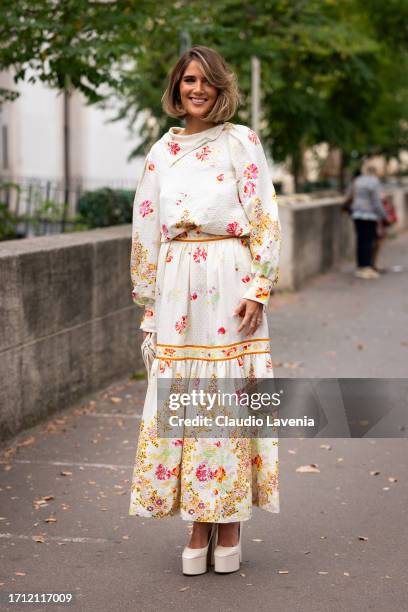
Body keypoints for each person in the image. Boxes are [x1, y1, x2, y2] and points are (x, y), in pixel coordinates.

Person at [128, 45, 281, 575]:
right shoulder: (161, 152)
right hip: (175, 284)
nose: (196, 89)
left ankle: (230, 518)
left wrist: (260, 287)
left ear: (220, 88)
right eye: (188, 80)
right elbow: (145, 231)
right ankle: (198, 520)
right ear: (176, 87)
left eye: (206, 81)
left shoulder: (241, 142)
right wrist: (148, 306)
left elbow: (265, 214)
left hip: (229, 275)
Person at [348, 165, 388, 279]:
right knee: (369, 241)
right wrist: (384, 216)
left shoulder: (358, 180)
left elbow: (350, 195)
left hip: (357, 214)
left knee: (361, 240)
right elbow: (377, 202)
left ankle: (360, 267)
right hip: (370, 215)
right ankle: (367, 267)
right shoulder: (374, 182)